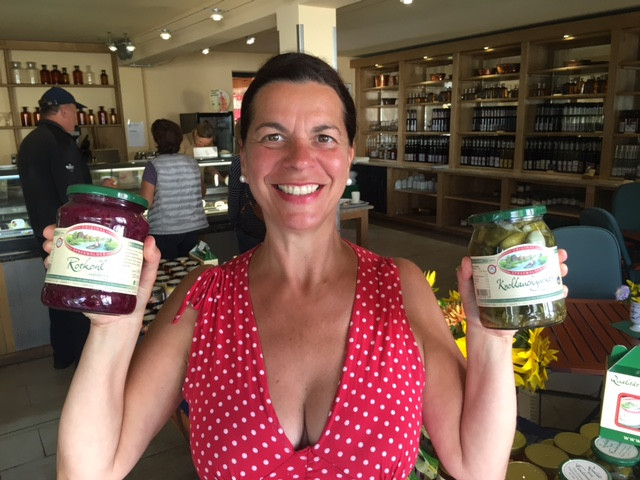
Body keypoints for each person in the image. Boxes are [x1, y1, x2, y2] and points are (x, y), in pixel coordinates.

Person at [51, 53, 568, 480]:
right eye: (273, 136)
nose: (300, 159)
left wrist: (492, 334)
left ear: (348, 156)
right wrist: (110, 329)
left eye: (323, 137)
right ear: (246, 160)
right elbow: (90, 470)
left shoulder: (400, 284)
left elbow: (477, 467)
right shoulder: (201, 298)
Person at [17, 86, 116, 370]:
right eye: (75, 112)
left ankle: (62, 354)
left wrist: (95, 188)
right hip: (70, 234)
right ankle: (84, 358)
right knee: (78, 297)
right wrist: (100, 201)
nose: (78, 118)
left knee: (58, 294)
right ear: (63, 111)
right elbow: (72, 193)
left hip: (46, 233)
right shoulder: (59, 142)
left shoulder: (31, 141)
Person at [139, 119, 209, 260]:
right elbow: (202, 193)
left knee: (169, 274)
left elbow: (146, 201)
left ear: (157, 141)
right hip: (193, 229)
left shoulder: (154, 166)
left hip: (164, 231)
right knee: (191, 270)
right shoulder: (192, 162)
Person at [227, 152, 265, 253]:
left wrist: (233, 219)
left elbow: (234, 193)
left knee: (250, 263)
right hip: (274, 225)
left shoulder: (239, 161)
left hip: (250, 224)